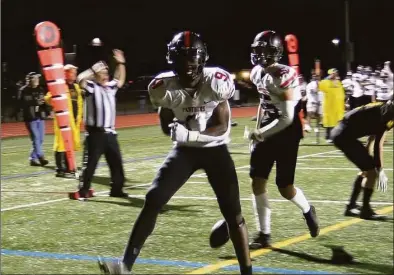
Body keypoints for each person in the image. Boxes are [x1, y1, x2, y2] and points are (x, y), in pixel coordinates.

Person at [98, 31, 252, 275]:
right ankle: (125, 266)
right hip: (185, 152)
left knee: (233, 213)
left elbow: (222, 127)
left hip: (214, 150)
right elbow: (165, 123)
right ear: (173, 60)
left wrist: (190, 134)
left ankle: (247, 271)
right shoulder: (162, 87)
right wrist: (174, 127)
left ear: (202, 60)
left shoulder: (217, 81)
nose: (188, 66)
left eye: (192, 59)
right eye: (182, 60)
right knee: (153, 199)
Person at [210, 30, 320, 250]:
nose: (259, 55)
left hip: (288, 132)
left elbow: (287, 117)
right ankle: (265, 234)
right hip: (269, 126)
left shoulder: (283, 75)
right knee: (257, 181)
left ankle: (308, 210)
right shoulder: (258, 73)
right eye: (257, 50)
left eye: (264, 50)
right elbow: (263, 103)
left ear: (276, 53)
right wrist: (259, 128)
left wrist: (261, 133)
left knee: (284, 187)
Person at [73, 50, 127, 199]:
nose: (106, 74)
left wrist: (121, 63)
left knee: (116, 163)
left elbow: (120, 80)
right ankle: (83, 190)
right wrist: (93, 70)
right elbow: (79, 79)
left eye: (106, 71)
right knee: (90, 165)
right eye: (102, 72)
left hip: (110, 133)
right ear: (96, 74)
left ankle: (116, 189)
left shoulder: (110, 87)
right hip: (95, 134)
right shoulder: (91, 86)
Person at [331, 100, 393, 220]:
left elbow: (373, 132)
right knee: (371, 172)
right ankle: (366, 210)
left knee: (367, 169)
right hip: (344, 136)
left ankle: (351, 206)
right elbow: (378, 143)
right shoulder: (387, 113)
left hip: (343, 133)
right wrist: (380, 169)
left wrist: (367, 150)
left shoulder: (382, 107)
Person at [45, 64, 83, 177]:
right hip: (63, 120)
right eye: (73, 72)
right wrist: (53, 97)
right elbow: (47, 98)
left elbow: (79, 103)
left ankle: (68, 168)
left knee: (69, 144)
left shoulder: (76, 87)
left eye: (75, 73)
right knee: (60, 144)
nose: (75, 74)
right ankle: (59, 169)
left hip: (74, 121)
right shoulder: (60, 85)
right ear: (66, 73)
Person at [18, 72, 49, 166]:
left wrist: (47, 111)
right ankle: (40, 156)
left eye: (37, 78)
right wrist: (34, 101)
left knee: (41, 139)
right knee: (35, 138)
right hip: (30, 117)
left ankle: (33, 158)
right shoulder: (23, 90)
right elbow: (21, 103)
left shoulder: (40, 89)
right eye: (34, 78)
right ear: (29, 80)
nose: (37, 80)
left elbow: (43, 102)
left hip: (40, 116)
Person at [318, 68, 345, 142]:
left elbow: (341, 93)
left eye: (336, 73)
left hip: (338, 106)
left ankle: (336, 137)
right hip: (329, 106)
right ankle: (328, 137)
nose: (335, 74)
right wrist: (328, 78)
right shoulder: (326, 82)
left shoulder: (338, 82)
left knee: (338, 122)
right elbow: (320, 86)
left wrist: (344, 102)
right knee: (329, 122)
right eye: (333, 73)